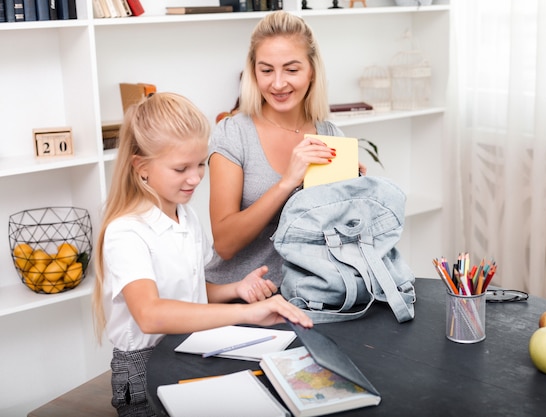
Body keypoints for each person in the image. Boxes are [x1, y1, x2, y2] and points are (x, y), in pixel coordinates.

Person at [91, 92, 313, 417]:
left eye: (199, 164)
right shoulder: (126, 231)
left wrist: (235, 290)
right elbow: (151, 314)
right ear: (141, 167)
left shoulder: (185, 216)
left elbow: (190, 293)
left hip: (190, 348)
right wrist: (246, 313)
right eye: (181, 168)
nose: (195, 178)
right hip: (144, 367)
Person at [207, 11, 366, 286]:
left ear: (312, 71)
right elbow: (225, 244)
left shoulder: (331, 136)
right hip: (240, 299)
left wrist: (355, 193)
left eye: (291, 70)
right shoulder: (233, 134)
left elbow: (339, 237)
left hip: (312, 296)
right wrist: (288, 183)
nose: (278, 83)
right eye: (266, 70)